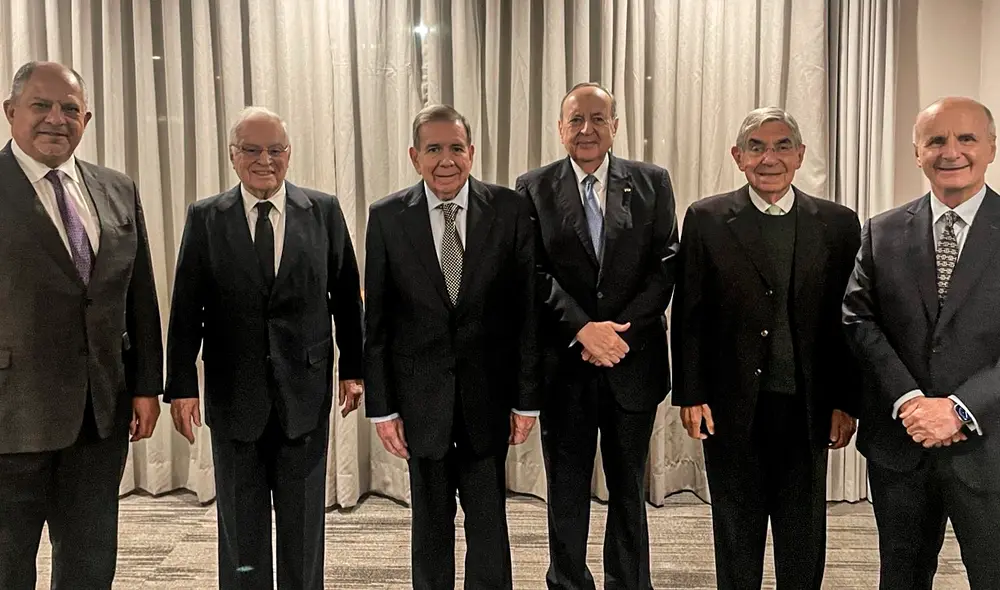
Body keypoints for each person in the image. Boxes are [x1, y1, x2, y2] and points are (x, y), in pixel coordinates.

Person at [164, 106, 364, 590]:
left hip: (305, 390)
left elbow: (346, 295)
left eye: (275, 150)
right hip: (235, 395)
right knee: (241, 525)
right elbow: (187, 307)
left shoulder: (324, 211)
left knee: (302, 525)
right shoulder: (206, 217)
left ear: (289, 154)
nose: (264, 160)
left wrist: (354, 368)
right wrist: (181, 386)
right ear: (233, 156)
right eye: (251, 150)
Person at [672, 107, 861, 589]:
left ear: (800, 155)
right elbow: (689, 314)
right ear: (738, 157)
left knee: (803, 532)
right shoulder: (707, 218)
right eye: (756, 146)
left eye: (781, 146)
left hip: (808, 406)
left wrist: (846, 401)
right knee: (736, 529)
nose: (768, 157)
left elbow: (847, 324)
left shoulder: (839, 224)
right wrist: (689, 395)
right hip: (731, 405)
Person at [364, 104, 541, 590]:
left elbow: (526, 312)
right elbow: (376, 321)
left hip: (489, 401)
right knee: (430, 528)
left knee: (489, 528)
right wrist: (382, 409)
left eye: (456, 148)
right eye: (434, 149)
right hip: (421, 404)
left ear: (472, 152)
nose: (446, 160)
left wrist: (527, 399)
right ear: (414, 155)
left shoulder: (509, 210)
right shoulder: (386, 217)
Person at [0, 61, 163, 589]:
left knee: (91, 563)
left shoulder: (116, 189)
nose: (56, 118)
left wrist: (145, 386)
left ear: (86, 119)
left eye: (70, 108)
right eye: (41, 106)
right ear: (10, 113)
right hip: (10, 414)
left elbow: (139, 296)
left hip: (101, 416)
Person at [515, 82, 678, 590]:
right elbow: (531, 271)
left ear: (615, 125)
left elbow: (667, 262)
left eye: (597, 118)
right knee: (565, 489)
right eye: (575, 120)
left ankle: (629, 582)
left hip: (632, 360)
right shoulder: (533, 187)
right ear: (560, 129)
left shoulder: (653, 182)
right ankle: (567, 581)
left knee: (629, 488)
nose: (587, 129)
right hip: (565, 365)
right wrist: (583, 328)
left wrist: (618, 332)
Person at [843, 96, 1000, 589]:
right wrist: (912, 402)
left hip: (990, 447)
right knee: (901, 577)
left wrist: (958, 408)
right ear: (917, 152)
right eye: (936, 140)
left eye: (966, 138)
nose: (951, 151)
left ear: (991, 148)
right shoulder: (882, 230)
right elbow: (859, 319)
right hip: (901, 447)